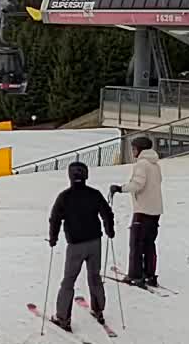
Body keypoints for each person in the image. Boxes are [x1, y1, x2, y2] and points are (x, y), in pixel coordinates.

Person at [47, 160, 115, 333]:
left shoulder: (64, 196)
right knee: (94, 276)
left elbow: (55, 218)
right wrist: (109, 229)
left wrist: (53, 238)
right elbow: (106, 212)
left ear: (70, 176)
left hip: (75, 245)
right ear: (86, 175)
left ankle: (63, 317)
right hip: (94, 243)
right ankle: (99, 310)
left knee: (69, 281)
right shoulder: (94, 194)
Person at [108, 135, 163, 287]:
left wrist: (120, 188)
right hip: (155, 209)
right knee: (149, 243)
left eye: (134, 149)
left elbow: (138, 184)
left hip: (143, 210)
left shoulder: (142, 164)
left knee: (136, 243)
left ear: (140, 150)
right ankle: (150, 274)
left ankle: (135, 275)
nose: (132, 152)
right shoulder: (155, 164)